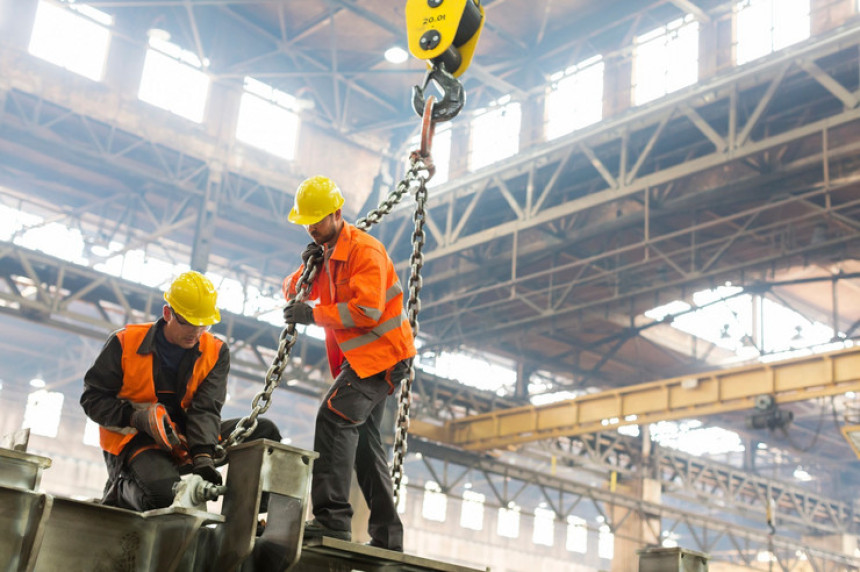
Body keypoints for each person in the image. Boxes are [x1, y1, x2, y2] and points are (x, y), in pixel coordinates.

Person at [282, 175, 415, 552]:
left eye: (318, 219)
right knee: (363, 446)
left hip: (383, 356)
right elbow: (292, 290)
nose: (311, 227)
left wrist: (312, 315)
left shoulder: (364, 252)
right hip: (361, 360)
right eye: (306, 221)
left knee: (334, 417)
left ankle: (331, 520)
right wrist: (303, 270)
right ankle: (389, 537)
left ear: (337, 213)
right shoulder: (324, 255)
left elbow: (368, 310)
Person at [80, 270, 281, 511]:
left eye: (203, 324)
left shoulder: (215, 352)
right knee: (166, 498)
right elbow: (92, 399)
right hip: (135, 441)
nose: (196, 332)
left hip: (186, 437)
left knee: (264, 432)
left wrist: (203, 455)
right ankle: (120, 490)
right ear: (168, 313)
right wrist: (135, 418)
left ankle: (248, 514)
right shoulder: (124, 343)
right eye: (188, 322)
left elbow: (206, 408)